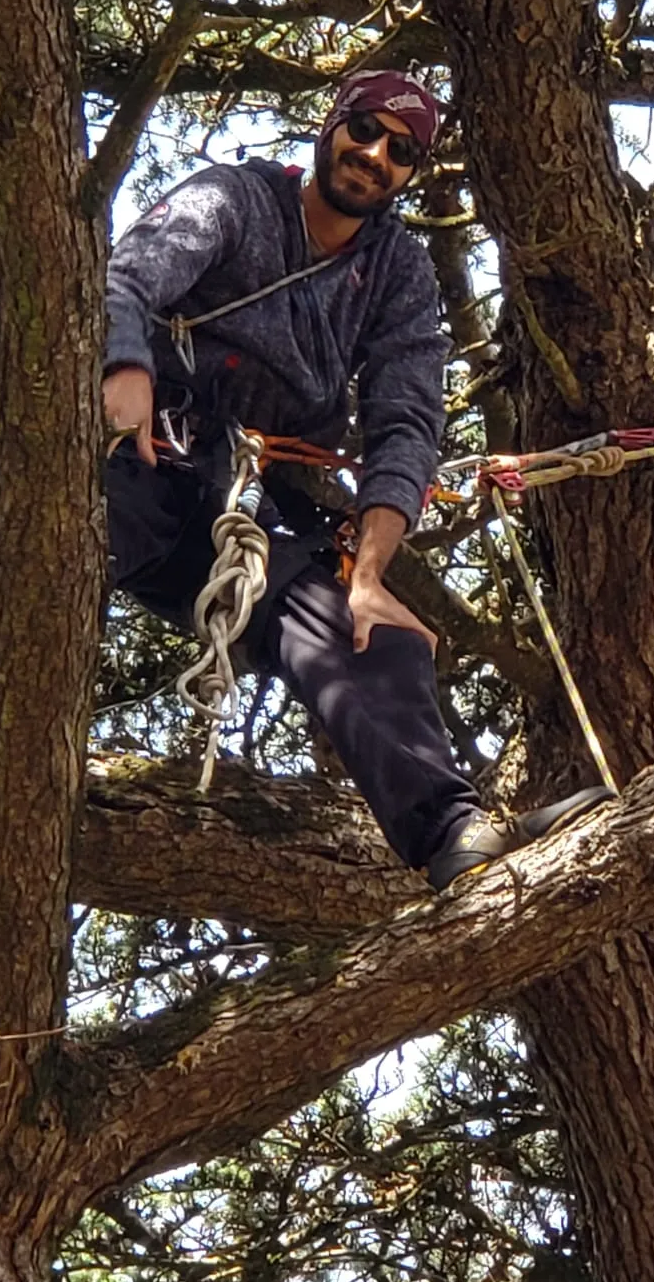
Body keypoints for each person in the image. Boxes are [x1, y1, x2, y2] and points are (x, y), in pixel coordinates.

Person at [101, 68, 612, 890]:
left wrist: (370, 575)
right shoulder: (235, 199)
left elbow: (405, 423)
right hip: (150, 463)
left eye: (401, 151)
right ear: (332, 124)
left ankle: (455, 837)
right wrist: (125, 371)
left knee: (378, 634)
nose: (375, 155)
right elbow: (124, 279)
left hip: (259, 500)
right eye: (365, 130)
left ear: (411, 173)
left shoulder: (397, 272)